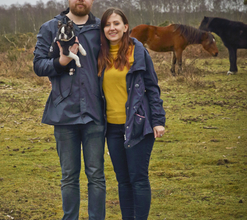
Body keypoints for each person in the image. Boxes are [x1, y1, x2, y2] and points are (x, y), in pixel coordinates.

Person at [33, 0, 106, 219]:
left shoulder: (101, 29)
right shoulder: (50, 27)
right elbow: (38, 65)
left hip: (95, 112)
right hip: (64, 112)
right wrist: (61, 61)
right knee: (69, 177)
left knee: (96, 176)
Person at [97, 8, 166, 220]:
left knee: (138, 178)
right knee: (123, 180)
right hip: (112, 129)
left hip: (138, 124)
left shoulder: (138, 51)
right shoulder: (99, 54)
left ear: (126, 27)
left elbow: (152, 87)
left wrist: (158, 120)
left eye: (116, 23)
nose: (112, 28)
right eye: (107, 25)